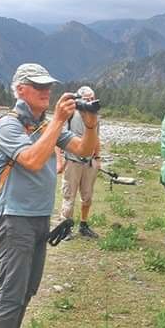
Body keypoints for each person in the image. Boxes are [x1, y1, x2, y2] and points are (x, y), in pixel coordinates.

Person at [0, 63, 98, 328]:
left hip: (39, 219)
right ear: (20, 90)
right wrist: (57, 120)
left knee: (26, 291)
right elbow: (30, 160)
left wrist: (91, 124)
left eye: (48, 86)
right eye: (38, 86)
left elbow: (83, 149)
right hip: (14, 219)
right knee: (10, 293)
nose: (46, 91)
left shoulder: (45, 125)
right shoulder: (8, 126)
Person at [57, 85, 102, 239]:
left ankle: (83, 225)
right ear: (80, 99)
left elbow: (96, 138)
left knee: (87, 196)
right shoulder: (70, 113)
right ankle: (65, 227)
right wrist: (60, 160)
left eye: (92, 99)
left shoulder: (96, 116)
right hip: (72, 161)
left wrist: (97, 158)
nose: (90, 102)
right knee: (69, 195)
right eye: (87, 99)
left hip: (89, 163)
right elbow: (58, 134)